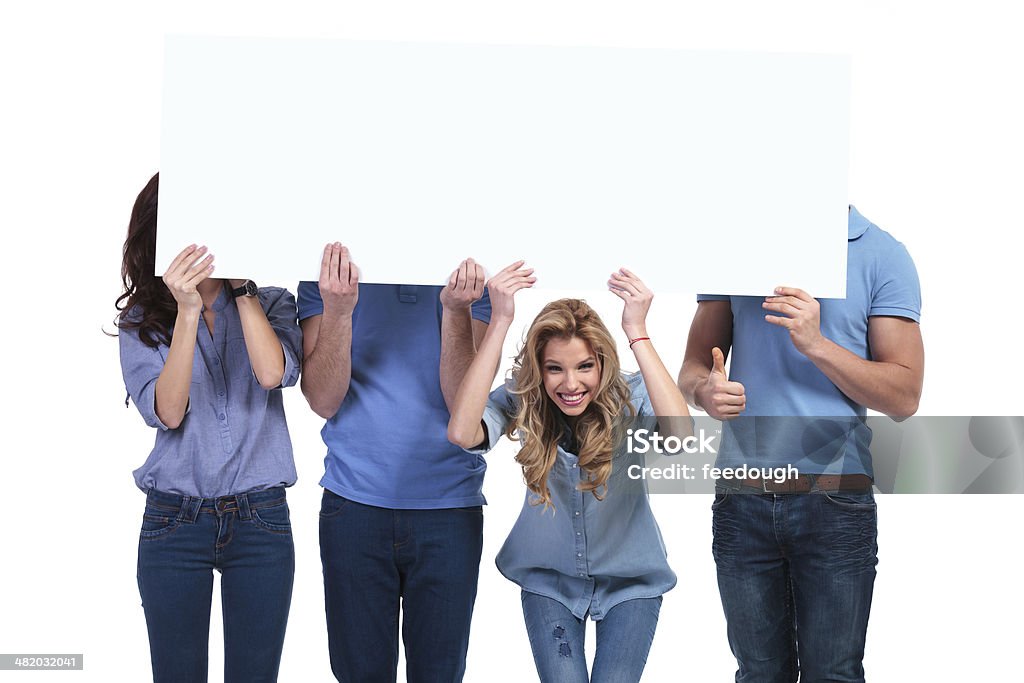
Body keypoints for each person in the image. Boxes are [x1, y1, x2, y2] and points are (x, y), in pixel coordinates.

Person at [678, 205, 924, 682]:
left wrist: (817, 344)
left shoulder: (880, 253)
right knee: (757, 674)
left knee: (833, 673)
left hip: (836, 497)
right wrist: (704, 391)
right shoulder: (731, 248)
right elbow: (692, 368)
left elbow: (905, 395)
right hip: (742, 495)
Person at [446, 263, 688, 683]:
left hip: (631, 581)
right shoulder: (526, 399)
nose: (570, 383)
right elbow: (462, 432)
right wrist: (501, 320)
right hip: (549, 580)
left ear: (602, 363)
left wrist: (637, 330)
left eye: (584, 367)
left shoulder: (630, 394)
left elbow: (683, 436)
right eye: (554, 368)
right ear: (539, 370)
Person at [116, 173, 303, 683]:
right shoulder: (140, 320)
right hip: (174, 522)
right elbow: (169, 411)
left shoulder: (275, 303)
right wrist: (188, 311)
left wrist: (242, 288)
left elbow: (273, 373)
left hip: (260, 519)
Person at [297, 246, 492, 682]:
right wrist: (340, 311)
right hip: (354, 506)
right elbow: (323, 399)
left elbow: (466, 405)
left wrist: (456, 312)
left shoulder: (474, 271)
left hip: (449, 509)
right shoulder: (325, 270)